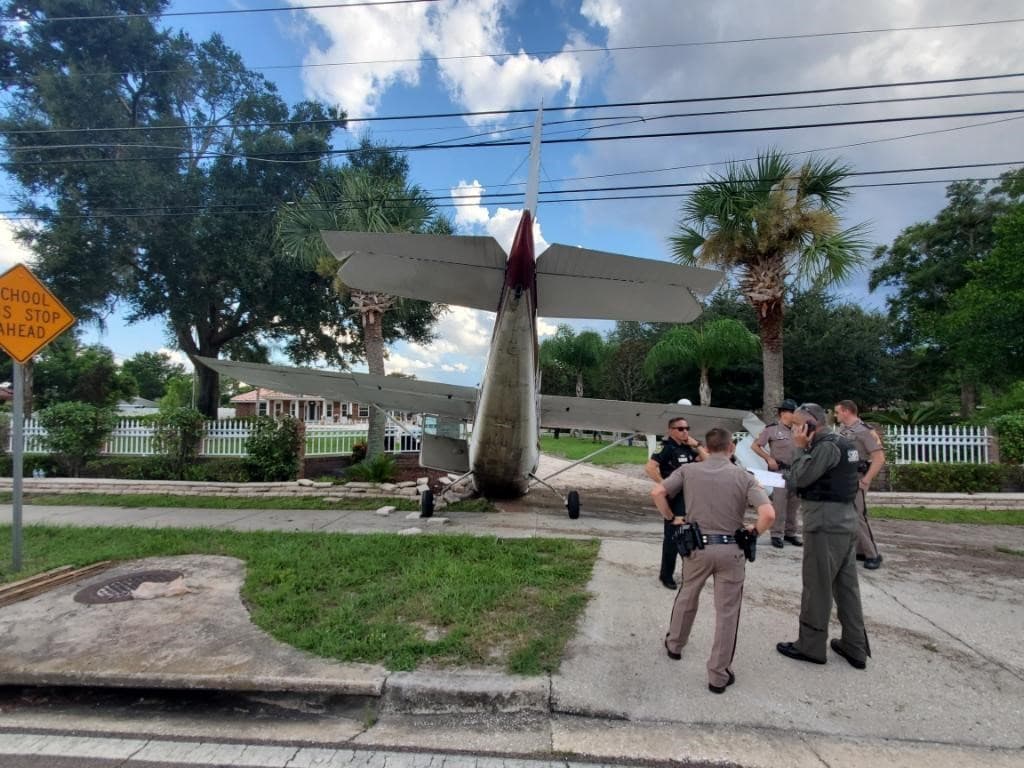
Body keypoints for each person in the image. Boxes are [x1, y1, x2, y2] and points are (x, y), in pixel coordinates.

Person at [652, 428, 775, 694]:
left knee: (687, 595)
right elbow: (768, 514)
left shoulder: (688, 472)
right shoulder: (744, 477)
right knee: (727, 612)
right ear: (731, 447)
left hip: (697, 547)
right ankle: (718, 674)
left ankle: (675, 644)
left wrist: (672, 517)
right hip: (731, 550)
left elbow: (658, 493)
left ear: (707, 446)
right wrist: (753, 532)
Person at [776, 403, 870, 670]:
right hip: (844, 522)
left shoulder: (826, 446)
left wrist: (798, 448)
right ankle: (854, 646)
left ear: (810, 425)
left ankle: (810, 646)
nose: (794, 430)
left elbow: (799, 479)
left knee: (817, 587)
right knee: (846, 588)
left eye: (797, 425)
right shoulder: (843, 443)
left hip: (826, 526)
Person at [645, 417, 707, 589]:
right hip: (675, 498)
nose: (685, 431)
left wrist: (697, 446)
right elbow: (650, 467)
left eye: (687, 428)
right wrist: (664, 485)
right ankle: (666, 575)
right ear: (670, 430)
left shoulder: (688, 447)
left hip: (690, 497)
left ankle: (689, 574)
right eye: (680, 429)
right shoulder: (666, 447)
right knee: (672, 537)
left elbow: (709, 462)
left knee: (690, 535)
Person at [834, 400, 885, 569]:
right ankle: (860, 551)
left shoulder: (865, 431)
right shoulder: (843, 430)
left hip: (858, 478)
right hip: (846, 477)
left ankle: (873, 554)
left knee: (858, 516)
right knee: (850, 515)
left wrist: (866, 480)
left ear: (847, 411)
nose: (836, 415)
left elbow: (879, 458)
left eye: (838, 412)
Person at [751, 398, 803, 549]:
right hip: (779, 472)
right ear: (783, 413)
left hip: (796, 472)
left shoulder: (799, 429)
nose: (795, 415)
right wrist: (768, 458)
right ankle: (776, 534)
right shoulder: (772, 429)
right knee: (779, 504)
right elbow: (755, 446)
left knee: (794, 505)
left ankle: (790, 533)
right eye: (792, 412)